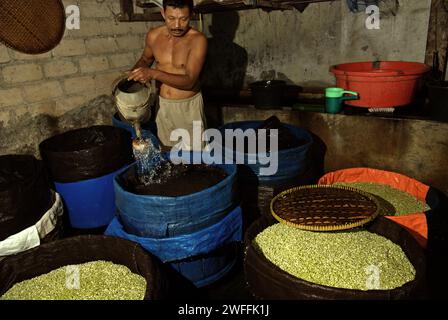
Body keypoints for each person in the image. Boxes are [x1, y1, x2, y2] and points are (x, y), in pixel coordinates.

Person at [128, 0, 207, 151]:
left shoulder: (197, 40)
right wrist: (134, 73)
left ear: (191, 15)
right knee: (168, 155)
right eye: (171, 18)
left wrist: (152, 73)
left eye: (183, 19)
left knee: (196, 158)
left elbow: (190, 80)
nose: (177, 25)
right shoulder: (154, 36)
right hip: (163, 107)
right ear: (163, 13)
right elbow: (145, 59)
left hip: (188, 108)